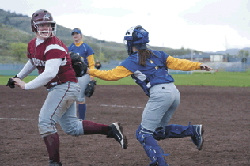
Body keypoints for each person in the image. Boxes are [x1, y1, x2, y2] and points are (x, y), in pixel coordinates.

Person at [8, 9, 127, 166]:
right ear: (34, 27)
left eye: (48, 25)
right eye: (41, 25)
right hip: (63, 87)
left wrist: (26, 85)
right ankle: (111, 129)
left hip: (64, 86)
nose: (45, 28)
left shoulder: (53, 46)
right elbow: (32, 62)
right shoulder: (33, 44)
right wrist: (18, 77)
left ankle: (55, 163)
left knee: (45, 123)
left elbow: (49, 73)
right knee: (72, 127)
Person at [87, 25, 213, 166]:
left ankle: (160, 163)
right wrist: (198, 65)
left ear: (131, 43)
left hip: (160, 94)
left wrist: (89, 71)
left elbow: (110, 75)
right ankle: (193, 130)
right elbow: (179, 63)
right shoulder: (158, 54)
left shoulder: (132, 60)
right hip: (174, 93)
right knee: (157, 132)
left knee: (143, 133)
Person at [68, 28, 99, 120]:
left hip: (84, 74)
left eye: (77, 34)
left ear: (81, 35)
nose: (75, 36)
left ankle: (82, 120)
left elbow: (92, 64)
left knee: (80, 98)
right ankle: (71, 118)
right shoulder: (70, 48)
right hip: (73, 75)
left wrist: (92, 77)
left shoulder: (86, 47)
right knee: (70, 96)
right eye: (73, 34)